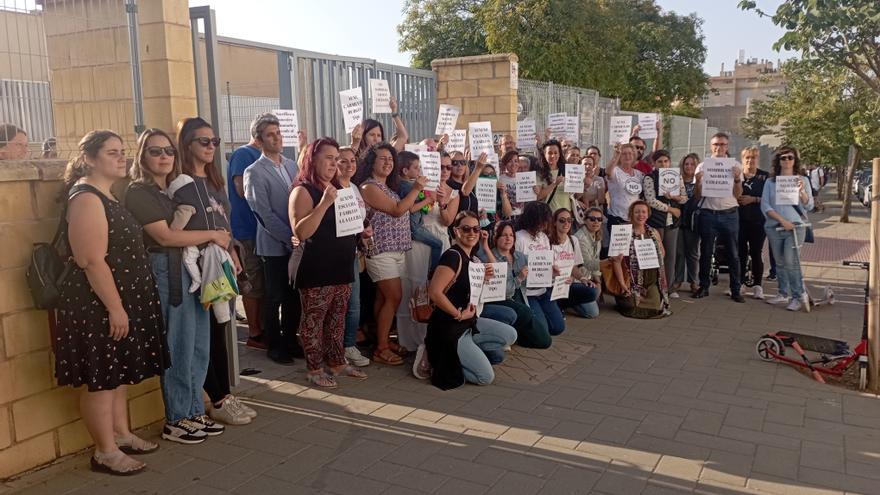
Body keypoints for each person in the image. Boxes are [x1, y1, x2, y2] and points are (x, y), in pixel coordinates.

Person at [56, 130, 167, 475]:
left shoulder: (107, 195)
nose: (122, 158)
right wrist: (115, 308)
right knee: (102, 377)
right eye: (112, 153)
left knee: (116, 373)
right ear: (89, 158)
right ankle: (104, 451)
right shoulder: (86, 198)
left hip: (118, 299)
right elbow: (91, 260)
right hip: (97, 304)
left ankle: (120, 434)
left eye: (123, 152)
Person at [126, 128, 232, 444]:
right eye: (155, 151)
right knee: (179, 346)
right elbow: (165, 236)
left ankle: (193, 410)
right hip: (167, 273)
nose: (163, 157)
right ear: (142, 156)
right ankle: (176, 418)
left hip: (193, 271)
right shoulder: (138, 192)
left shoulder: (173, 191)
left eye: (168, 151)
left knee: (200, 344)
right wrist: (212, 235)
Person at [176, 117, 254, 427]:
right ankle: (217, 398)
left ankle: (224, 394)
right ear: (187, 144)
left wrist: (233, 250)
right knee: (205, 334)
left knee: (222, 330)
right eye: (203, 141)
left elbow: (225, 223)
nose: (210, 147)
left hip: (221, 263)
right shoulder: (181, 183)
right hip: (197, 268)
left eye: (214, 142)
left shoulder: (215, 181)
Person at [289, 138, 367, 387]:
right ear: (313, 159)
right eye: (328, 158)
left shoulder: (338, 188)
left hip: (341, 265)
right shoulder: (303, 190)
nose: (334, 163)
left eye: (336, 158)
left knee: (337, 319)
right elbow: (301, 232)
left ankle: (337, 362)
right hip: (316, 268)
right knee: (314, 320)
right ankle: (314, 368)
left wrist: (361, 230)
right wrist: (324, 203)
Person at [425, 211, 517, 390]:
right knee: (485, 377)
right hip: (450, 326)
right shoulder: (453, 256)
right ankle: (438, 356)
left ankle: (465, 352)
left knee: (510, 335)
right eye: (466, 229)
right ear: (457, 231)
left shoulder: (472, 259)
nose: (472, 233)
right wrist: (458, 314)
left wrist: (482, 276)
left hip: (469, 323)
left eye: (476, 228)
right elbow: (434, 292)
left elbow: (488, 281)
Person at [354, 142, 426, 365]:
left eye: (391, 159)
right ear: (371, 162)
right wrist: (416, 189)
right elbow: (396, 210)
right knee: (394, 297)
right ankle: (381, 348)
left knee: (383, 298)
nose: (388, 162)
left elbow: (404, 208)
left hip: (396, 250)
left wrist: (425, 198)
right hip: (380, 250)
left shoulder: (389, 188)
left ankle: (381, 339)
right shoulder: (369, 187)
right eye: (382, 158)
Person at [243, 115, 305, 365]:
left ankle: (291, 339)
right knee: (275, 295)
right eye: (270, 134)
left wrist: (299, 236)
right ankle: (274, 343)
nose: (277, 137)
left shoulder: (292, 165)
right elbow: (263, 213)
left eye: (278, 132)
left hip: (296, 243)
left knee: (293, 295)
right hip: (274, 245)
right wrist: (288, 238)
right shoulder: (254, 171)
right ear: (259, 140)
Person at [397, 153, 459, 368]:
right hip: (416, 243)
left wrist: (442, 202)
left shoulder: (454, 193)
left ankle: (430, 340)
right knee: (410, 288)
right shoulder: (418, 186)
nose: (444, 171)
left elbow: (448, 221)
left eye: (448, 167)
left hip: (438, 241)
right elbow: (407, 210)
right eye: (440, 166)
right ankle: (407, 341)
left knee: (433, 290)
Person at [477, 221, 551, 349]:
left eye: (511, 235)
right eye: (504, 235)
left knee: (545, 341)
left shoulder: (520, 256)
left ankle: (518, 335)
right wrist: (519, 278)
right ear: (496, 238)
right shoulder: (488, 257)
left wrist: (551, 273)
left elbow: (534, 280)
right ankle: (508, 333)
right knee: (525, 313)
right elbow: (502, 290)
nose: (508, 238)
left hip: (521, 300)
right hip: (500, 300)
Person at [693, 132, 745, 303]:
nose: (719, 147)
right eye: (716, 144)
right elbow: (697, 197)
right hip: (708, 213)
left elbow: (738, 195)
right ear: (711, 146)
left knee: (733, 254)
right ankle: (704, 286)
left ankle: (735, 289)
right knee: (706, 252)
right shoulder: (702, 166)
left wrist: (737, 179)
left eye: (722, 144)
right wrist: (698, 182)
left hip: (729, 214)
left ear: (727, 146)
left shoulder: (735, 165)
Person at [227, 115, 266, 349]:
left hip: (263, 231)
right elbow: (242, 191)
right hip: (247, 229)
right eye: (271, 133)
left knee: (263, 282)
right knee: (252, 282)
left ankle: (263, 327)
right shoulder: (243, 154)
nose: (277, 137)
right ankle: (255, 333)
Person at [761, 146, 813, 312]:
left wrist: (801, 191)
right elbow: (765, 205)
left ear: (795, 160)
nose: (787, 161)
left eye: (790, 157)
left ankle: (798, 295)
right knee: (780, 262)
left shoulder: (802, 180)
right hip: (775, 226)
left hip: (795, 227)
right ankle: (783, 293)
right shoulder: (770, 182)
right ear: (778, 161)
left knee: (792, 262)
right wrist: (782, 220)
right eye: (783, 158)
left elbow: (809, 205)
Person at [336, 146, 372, 367]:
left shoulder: (355, 188)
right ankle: (336, 346)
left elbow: (359, 218)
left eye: (352, 161)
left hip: (353, 252)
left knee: (354, 302)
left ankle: (349, 345)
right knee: (338, 303)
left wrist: (364, 229)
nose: (349, 165)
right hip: (336, 254)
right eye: (343, 161)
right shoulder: (331, 189)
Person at [610, 200, 670, 318]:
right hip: (631, 282)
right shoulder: (622, 232)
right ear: (631, 214)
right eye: (637, 212)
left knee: (656, 307)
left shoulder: (654, 232)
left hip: (651, 281)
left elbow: (662, 253)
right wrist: (622, 284)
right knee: (632, 306)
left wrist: (651, 254)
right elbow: (616, 262)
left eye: (643, 212)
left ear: (648, 214)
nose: (640, 215)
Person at [515, 201, 565, 336]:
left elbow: (547, 262)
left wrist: (553, 272)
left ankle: (537, 320)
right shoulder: (519, 238)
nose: (545, 223)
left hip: (542, 290)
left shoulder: (543, 237)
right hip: (527, 292)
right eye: (542, 219)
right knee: (542, 331)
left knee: (558, 327)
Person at [642, 149, 685, 297]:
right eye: (659, 161)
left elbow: (685, 197)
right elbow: (650, 200)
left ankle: (669, 287)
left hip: (672, 222)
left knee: (671, 255)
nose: (663, 164)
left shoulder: (676, 177)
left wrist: (676, 198)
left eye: (666, 161)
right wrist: (671, 209)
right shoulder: (649, 178)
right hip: (656, 221)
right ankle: (654, 286)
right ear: (654, 163)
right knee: (657, 255)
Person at [549, 208, 600, 317]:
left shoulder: (573, 240)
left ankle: (563, 304)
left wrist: (582, 279)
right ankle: (557, 304)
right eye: (562, 220)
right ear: (554, 222)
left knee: (593, 295)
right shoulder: (547, 242)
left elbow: (574, 266)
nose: (566, 223)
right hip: (552, 285)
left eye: (569, 220)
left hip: (569, 283)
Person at [398, 150, 444, 269]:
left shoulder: (405, 183)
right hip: (414, 228)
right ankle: (433, 273)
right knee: (439, 244)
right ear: (405, 171)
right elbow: (411, 209)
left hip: (416, 224)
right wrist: (428, 200)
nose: (419, 170)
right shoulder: (408, 187)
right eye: (416, 167)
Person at [737, 146, 769, 300]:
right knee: (740, 253)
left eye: (753, 157)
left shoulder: (765, 177)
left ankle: (758, 285)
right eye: (747, 158)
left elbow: (772, 199)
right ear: (742, 159)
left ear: (758, 159)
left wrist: (754, 199)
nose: (750, 160)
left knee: (756, 252)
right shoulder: (737, 176)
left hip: (758, 221)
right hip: (739, 220)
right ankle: (740, 283)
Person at [672, 153, 701, 295]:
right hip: (678, 220)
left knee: (693, 253)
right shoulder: (676, 181)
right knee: (679, 252)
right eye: (686, 164)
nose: (689, 167)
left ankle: (693, 281)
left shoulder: (700, 182)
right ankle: (677, 279)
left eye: (692, 164)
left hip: (693, 222)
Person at [605, 143, 644, 231]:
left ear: (634, 156)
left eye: (630, 153)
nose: (627, 156)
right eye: (624, 154)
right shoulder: (615, 171)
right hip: (617, 219)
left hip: (635, 220)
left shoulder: (639, 174)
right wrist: (616, 155)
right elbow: (607, 172)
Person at [536, 140, 573, 215]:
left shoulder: (567, 171)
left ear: (559, 154)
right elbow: (539, 196)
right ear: (544, 154)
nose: (553, 156)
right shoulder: (540, 174)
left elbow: (575, 195)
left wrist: (584, 186)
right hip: (549, 215)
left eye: (556, 153)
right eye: (550, 153)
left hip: (566, 214)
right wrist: (554, 183)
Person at [573, 206, 604, 290]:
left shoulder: (597, 236)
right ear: (585, 220)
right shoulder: (580, 238)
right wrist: (609, 262)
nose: (596, 221)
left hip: (589, 278)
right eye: (592, 219)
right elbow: (588, 264)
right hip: (578, 280)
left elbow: (596, 260)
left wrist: (598, 282)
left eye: (599, 219)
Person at [448, 150, 484, 215]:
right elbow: (465, 192)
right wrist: (478, 168)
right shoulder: (448, 184)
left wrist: (478, 214)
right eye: (455, 162)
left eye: (463, 162)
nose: (459, 165)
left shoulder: (470, 183)